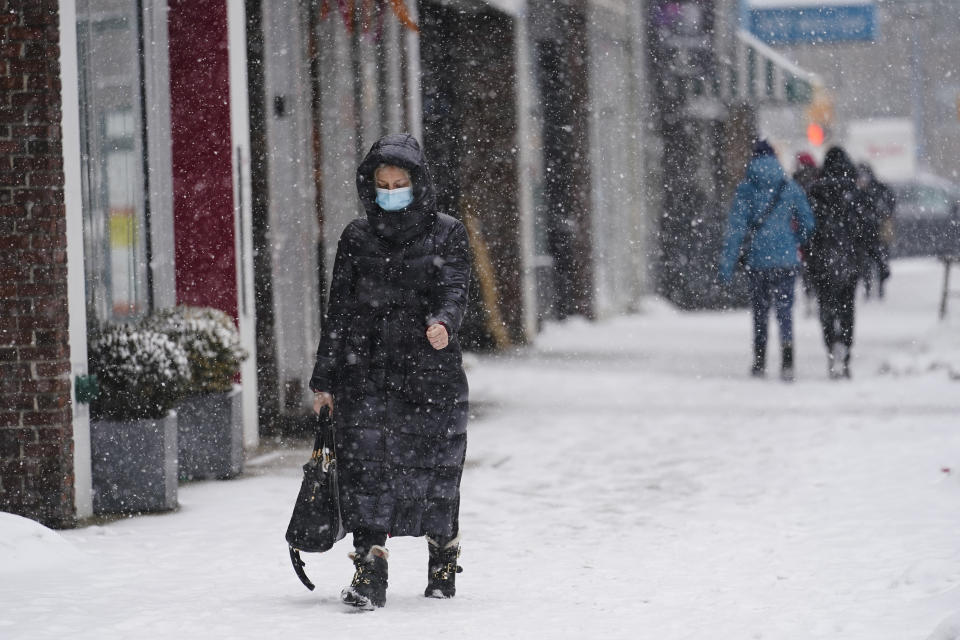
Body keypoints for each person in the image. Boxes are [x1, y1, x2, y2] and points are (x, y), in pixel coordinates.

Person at [309, 133, 471, 610]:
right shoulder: (357, 238)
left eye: (400, 182)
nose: (392, 190)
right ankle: (370, 568)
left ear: (418, 184)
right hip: (367, 370)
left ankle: (443, 554)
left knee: (435, 470)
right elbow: (338, 312)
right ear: (370, 186)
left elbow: (455, 288)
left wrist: (442, 322)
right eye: (383, 183)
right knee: (367, 470)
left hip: (429, 374)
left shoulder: (447, 232)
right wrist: (325, 380)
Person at [720, 140, 815, 381]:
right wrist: (793, 240)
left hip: (757, 261)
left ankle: (760, 361)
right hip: (786, 261)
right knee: (785, 312)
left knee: (760, 312)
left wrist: (727, 266)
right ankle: (787, 359)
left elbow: (736, 230)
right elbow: (808, 223)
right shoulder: (789, 186)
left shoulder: (746, 189)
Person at [805, 147, 877, 379]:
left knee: (826, 307)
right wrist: (866, 256)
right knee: (847, 308)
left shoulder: (815, 191)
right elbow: (866, 227)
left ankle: (831, 347)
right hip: (849, 260)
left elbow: (808, 228)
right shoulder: (854, 192)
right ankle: (845, 352)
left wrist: (809, 254)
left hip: (822, 260)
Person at [856, 162, 895, 299]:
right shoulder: (862, 192)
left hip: (875, 233)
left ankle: (878, 288)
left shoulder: (877, 190)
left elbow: (889, 205)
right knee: (870, 263)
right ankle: (870, 289)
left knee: (878, 262)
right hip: (868, 234)